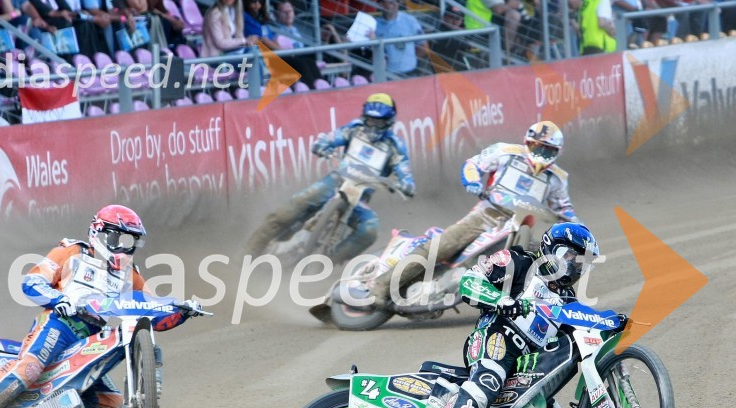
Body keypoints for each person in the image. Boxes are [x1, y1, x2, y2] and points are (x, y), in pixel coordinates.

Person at [0, 205, 203, 408]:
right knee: (30, 366)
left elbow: (152, 311)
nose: (125, 248)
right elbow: (32, 281)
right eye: (120, 239)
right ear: (101, 234)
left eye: (131, 242)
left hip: (92, 338)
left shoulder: (130, 273)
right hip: (59, 324)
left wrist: (181, 311)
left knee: (111, 405)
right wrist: (56, 298)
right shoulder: (72, 251)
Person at [412, 222, 599, 408]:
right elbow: (470, 280)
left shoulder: (569, 301)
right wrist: (501, 300)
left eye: (581, 262)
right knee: (488, 381)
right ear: (551, 248)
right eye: (570, 256)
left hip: (526, 365)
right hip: (495, 338)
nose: (575, 265)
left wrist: (611, 324)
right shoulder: (519, 261)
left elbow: (583, 334)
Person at [370, 121, 579, 309]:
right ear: (527, 142)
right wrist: (473, 182)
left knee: (541, 258)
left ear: (557, 152)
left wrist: (577, 231)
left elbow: (564, 209)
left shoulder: (557, 178)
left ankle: (529, 305)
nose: (541, 154)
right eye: (537, 147)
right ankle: (381, 286)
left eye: (548, 151)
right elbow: (474, 164)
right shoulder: (505, 152)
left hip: (519, 226)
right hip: (486, 215)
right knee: (443, 246)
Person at [246, 92, 415, 264]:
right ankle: (246, 255)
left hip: (360, 196)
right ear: (365, 117)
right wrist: (322, 145)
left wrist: (406, 184)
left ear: (388, 121)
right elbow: (332, 137)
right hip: (335, 181)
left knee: (370, 230)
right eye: (370, 120)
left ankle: (328, 262)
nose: (373, 126)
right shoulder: (355, 128)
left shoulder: (395, 146)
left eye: (378, 122)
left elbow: (404, 170)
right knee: (291, 207)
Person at [374, 0, 426, 76]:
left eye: (397, 1)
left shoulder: (409, 20)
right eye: (391, 2)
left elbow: (423, 46)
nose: (395, 4)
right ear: (381, 4)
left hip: (410, 73)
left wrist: (409, 61)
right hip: (387, 74)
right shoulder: (375, 25)